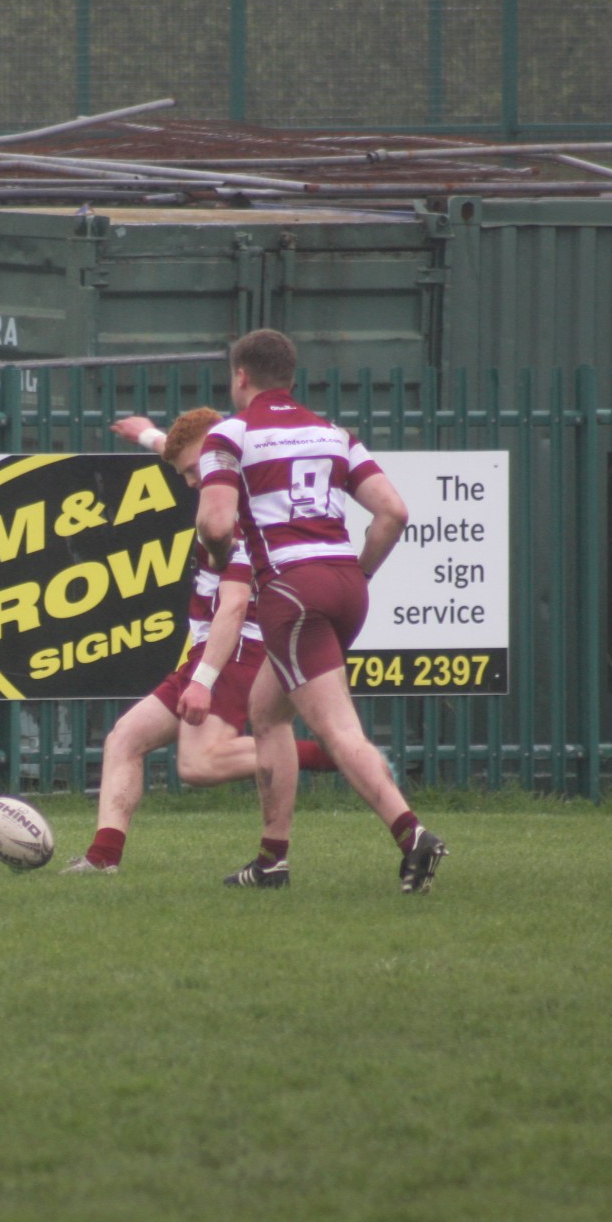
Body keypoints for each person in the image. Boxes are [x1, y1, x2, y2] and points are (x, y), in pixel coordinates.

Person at [196, 328, 448, 893]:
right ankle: (271, 861)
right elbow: (394, 513)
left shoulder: (231, 434)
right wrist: (361, 574)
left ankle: (412, 835)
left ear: (241, 376)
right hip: (345, 585)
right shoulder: (334, 434)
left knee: (337, 728)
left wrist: (218, 553)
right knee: (267, 712)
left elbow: (215, 523)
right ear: (290, 377)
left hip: (291, 591)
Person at [62, 407, 344, 876]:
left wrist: (203, 680)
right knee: (125, 739)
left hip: (237, 647)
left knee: (199, 765)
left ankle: (326, 755)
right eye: (185, 474)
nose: (192, 481)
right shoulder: (221, 473)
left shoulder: (237, 511)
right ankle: (102, 859)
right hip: (210, 648)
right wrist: (149, 436)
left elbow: (233, 607)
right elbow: (190, 449)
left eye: (195, 470)